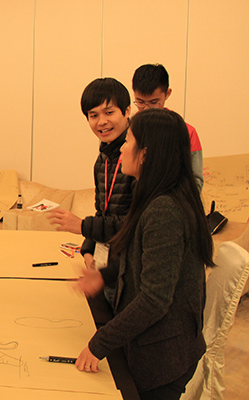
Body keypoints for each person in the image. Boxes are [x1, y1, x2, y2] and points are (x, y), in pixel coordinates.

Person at [75, 109, 213, 400]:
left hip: (163, 358)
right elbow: (143, 259)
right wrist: (104, 276)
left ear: (145, 154)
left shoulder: (165, 209)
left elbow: (154, 299)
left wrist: (99, 344)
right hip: (156, 345)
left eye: (128, 141)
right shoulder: (154, 195)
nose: (122, 148)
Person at [49, 78, 135, 288]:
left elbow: (135, 224)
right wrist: (88, 250)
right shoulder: (102, 160)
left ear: (127, 111)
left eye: (109, 112)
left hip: (131, 269)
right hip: (107, 266)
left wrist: (82, 226)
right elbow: (103, 213)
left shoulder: (137, 160)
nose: (101, 122)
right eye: (93, 115)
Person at [132, 63, 204, 191]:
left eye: (154, 102)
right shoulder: (128, 129)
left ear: (167, 94)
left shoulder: (186, 132)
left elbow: (195, 183)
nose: (146, 109)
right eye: (140, 102)